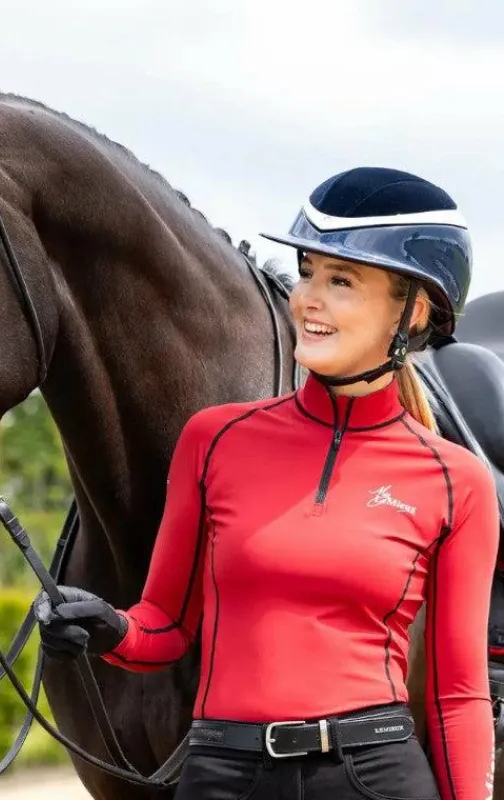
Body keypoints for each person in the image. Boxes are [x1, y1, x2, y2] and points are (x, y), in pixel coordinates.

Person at [33, 167, 500, 800]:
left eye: (341, 281)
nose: (308, 297)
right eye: (307, 272)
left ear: (412, 310)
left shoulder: (457, 480)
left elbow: (457, 694)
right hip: (224, 773)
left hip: (375, 774)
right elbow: (164, 629)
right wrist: (107, 629)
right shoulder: (214, 440)